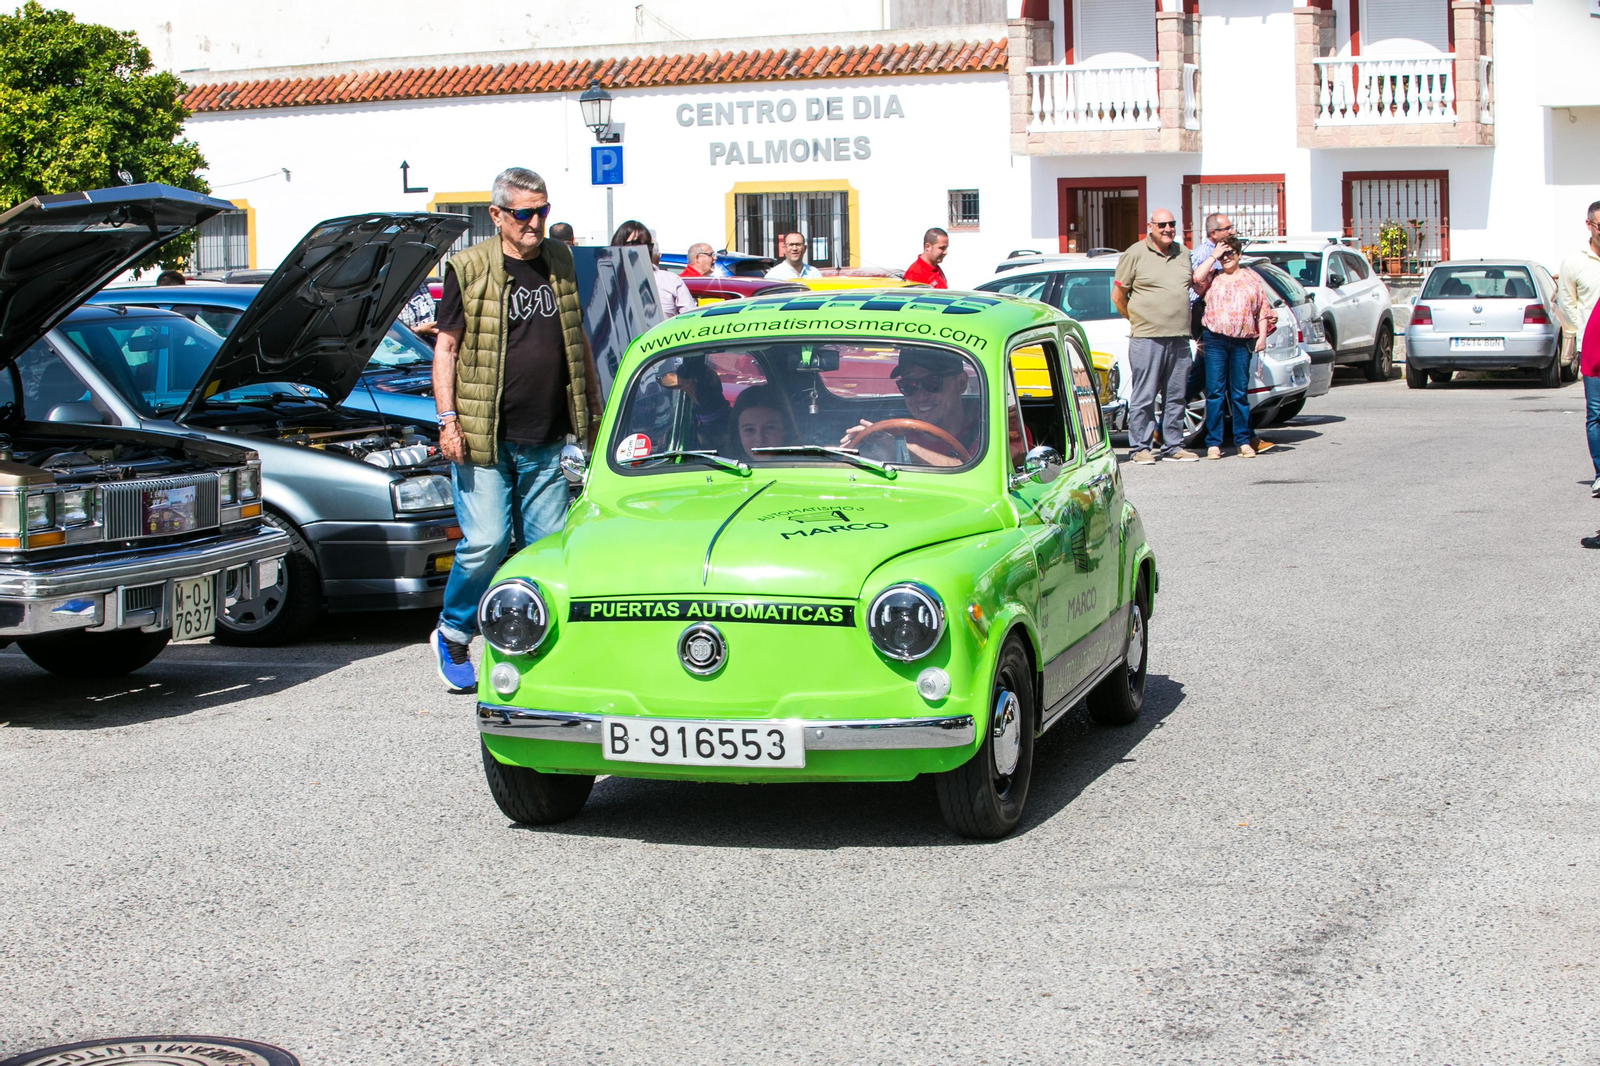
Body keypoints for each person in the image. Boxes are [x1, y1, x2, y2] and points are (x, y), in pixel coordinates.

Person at [429, 166, 603, 692]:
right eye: (525, 213)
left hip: (547, 433)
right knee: (486, 541)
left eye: (543, 211)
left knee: (548, 547)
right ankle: (453, 634)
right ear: (498, 215)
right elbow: (447, 347)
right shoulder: (469, 266)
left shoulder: (560, 259)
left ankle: (539, 646)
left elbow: (577, 341)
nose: (535, 222)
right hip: (484, 433)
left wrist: (592, 412)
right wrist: (448, 420)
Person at [1113, 208, 1201, 463]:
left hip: (1179, 337)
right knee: (1145, 395)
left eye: (1171, 224)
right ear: (1150, 226)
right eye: (1162, 224)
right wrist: (1137, 319)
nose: (1167, 229)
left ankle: (1173, 445)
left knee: (1176, 395)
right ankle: (1140, 448)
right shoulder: (1135, 253)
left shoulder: (1183, 253)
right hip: (1147, 337)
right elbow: (1118, 296)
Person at [1193, 237, 1273, 459]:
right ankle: (1214, 443)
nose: (1228, 258)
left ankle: (1243, 440)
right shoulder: (1213, 278)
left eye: (1232, 253)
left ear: (1239, 255)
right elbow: (1196, 278)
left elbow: (1262, 310)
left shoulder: (1251, 278)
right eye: (1224, 254)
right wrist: (1213, 256)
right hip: (1215, 340)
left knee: (1238, 392)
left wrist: (1262, 337)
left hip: (1241, 341)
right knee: (1215, 392)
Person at [840, 349, 978, 467]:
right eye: (909, 386)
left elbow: (975, 473)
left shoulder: (985, 432)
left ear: (961, 383)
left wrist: (899, 448)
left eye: (932, 383)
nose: (920, 397)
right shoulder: (896, 431)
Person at [1557, 200, 1600, 497]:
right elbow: (1566, 302)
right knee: (1596, 412)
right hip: (1594, 348)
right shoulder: (1575, 262)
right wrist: (1583, 333)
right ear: (1589, 225)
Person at [611, 220, 695, 319]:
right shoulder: (607, 282)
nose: (642, 249)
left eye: (647, 245)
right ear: (618, 246)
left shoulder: (670, 280)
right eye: (634, 244)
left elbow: (690, 317)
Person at [730, 384, 798, 460]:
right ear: (737, 434)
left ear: (785, 430)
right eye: (749, 429)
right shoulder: (719, 468)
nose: (760, 439)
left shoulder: (808, 466)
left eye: (770, 428)